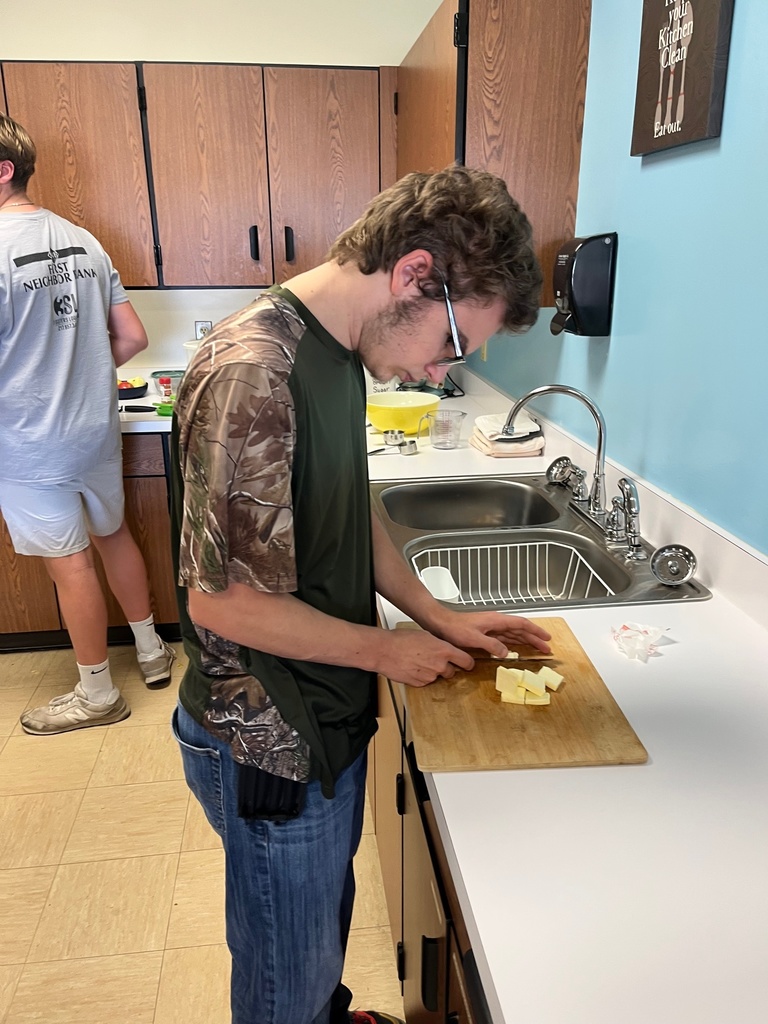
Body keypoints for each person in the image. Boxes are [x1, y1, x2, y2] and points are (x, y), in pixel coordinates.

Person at [170, 163, 552, 1024]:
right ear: (415, 274)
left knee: (314, 943)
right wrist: (388, 650)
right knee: (285, 982)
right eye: (452, 344)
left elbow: (350, 510)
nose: (439, 370)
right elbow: (222, 603)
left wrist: (439, 616)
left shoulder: (337, 349)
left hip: (320, 713)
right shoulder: (256, 371)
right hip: (270, 737)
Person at [0, 113, 175, 734]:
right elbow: (131, 336)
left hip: (26, 442)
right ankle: (152, 652)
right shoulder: (84, 240)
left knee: (68, 563)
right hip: (93, 431)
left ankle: (98, 693)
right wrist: (81, 374)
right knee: (113, 534)